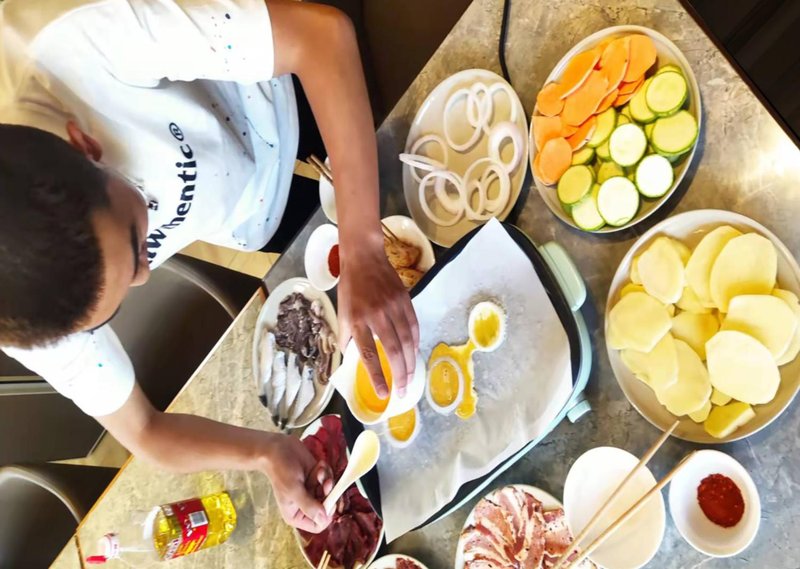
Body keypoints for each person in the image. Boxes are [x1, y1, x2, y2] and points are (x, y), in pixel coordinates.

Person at [0, 0, 419, 533]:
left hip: (272, 84)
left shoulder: (85, 44)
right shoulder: (27, 310)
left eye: (137, 243)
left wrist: (361, 245)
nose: (147, 274)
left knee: (393, 160)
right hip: (243, 202)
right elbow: (144, 430)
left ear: (85, 146)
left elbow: (322, 40)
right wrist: (266, 453)